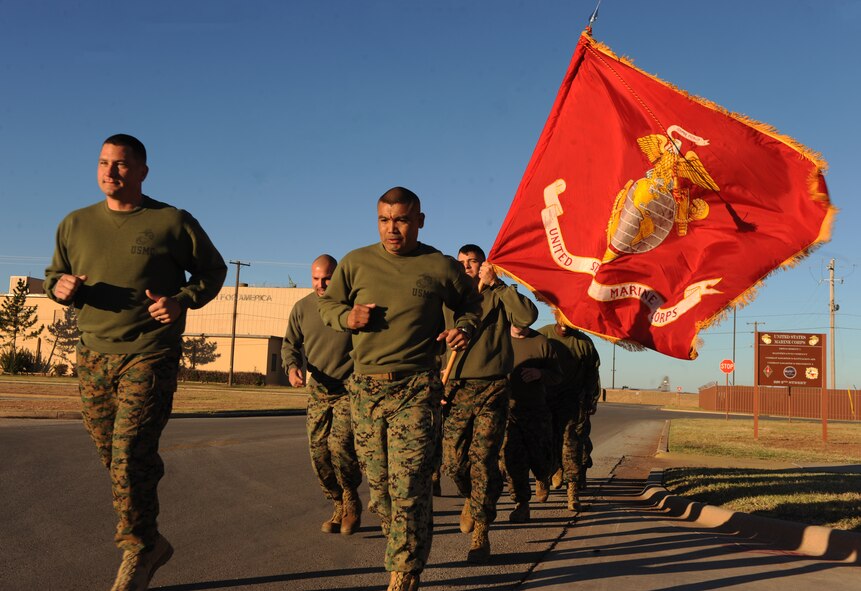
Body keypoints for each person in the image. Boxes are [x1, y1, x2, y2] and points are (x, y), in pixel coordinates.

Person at [44, 134, 227, 591]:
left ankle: (138, 548)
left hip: (150, 352)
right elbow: (55, 275)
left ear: (143, 171)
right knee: (117, 455)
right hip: (91, 356)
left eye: (122, 165)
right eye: (104, 163)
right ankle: (151, 537)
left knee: (127, 456)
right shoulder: (75, 223)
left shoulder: (170, 221)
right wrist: (59, 288)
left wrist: (182, 300)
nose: (111, 172)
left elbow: (213, 270)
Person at [318, 187, 481, 591]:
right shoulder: (355, 263)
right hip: (365, 391)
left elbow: (472, 305)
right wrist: (346, 317)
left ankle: (404, 573)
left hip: (415, 388)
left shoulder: (438, 265)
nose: (393, 229)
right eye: (385, 220)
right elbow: (327, 305)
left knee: (409, 484)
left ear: (419, 221)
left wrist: (464, 328)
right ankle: (407, 548)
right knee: (381, 491)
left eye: (402, 220)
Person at [441, 244, 537, 562]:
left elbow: (527, 315)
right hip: (455, 388)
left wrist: (498, 284)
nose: (468, 267)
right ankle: (473, 497)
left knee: (482, 459)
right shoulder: (450, 298)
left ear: (484, 265)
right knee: (454, 461)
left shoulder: (497, 295)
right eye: (462, 263)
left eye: (474, 262)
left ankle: (481, 532)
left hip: (492, 388)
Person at [281, 254, 363, 535]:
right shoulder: (302, 308)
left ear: (337, 275)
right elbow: (290, 345)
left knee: (340, 446)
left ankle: (351, 500)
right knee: (318, 452)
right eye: (316, 278)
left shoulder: (352, 306)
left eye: (326, 278)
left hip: (349, 387)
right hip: (319, 388)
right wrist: (292, 367)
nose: (321, 284)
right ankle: (337, 503)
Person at [537, 322, 602, 511]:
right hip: (545, 398)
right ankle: (543, 479)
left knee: (570, 444)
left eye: (570, 322)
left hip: (571, 400)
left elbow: (592, 373)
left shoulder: (584, 343)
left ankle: (572, 491)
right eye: (562, 320)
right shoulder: (543, 336)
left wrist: (591, 397)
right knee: (544, 442)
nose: (565, 325)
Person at [502, 325, 563, 523]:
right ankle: (521, 504)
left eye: (525, 322)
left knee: (540, 458)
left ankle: (543, 476)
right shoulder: (500, 339)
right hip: (509, 410)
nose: (521, 326)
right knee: (513, 458)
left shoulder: (541, 342)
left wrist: (540, 374)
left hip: (536, 411)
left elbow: (557, 376)